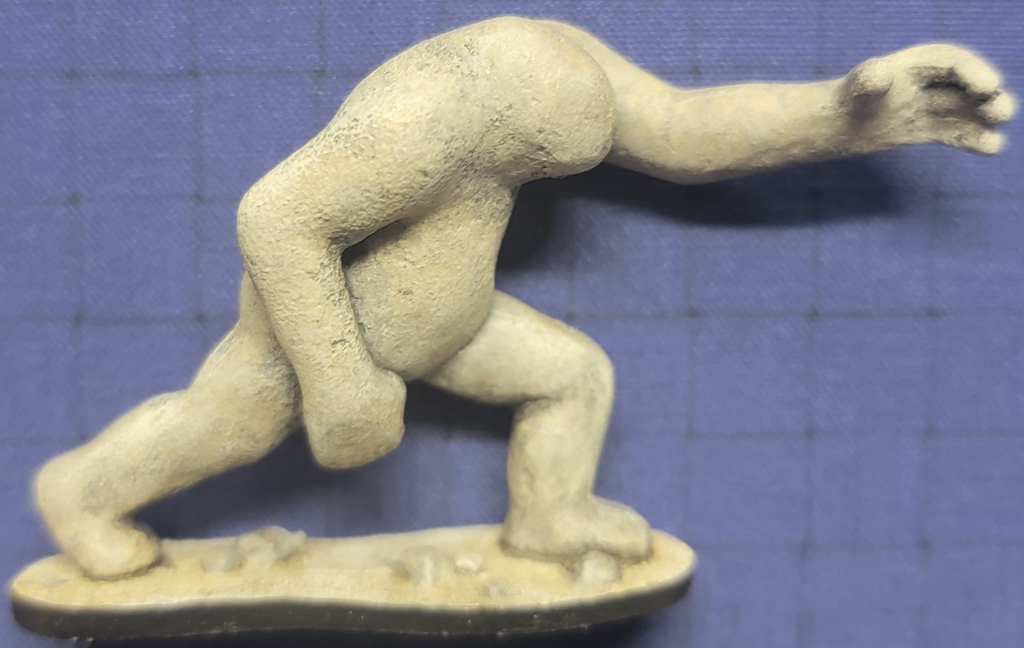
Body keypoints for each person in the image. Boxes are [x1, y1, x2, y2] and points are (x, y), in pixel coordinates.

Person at [35, 17, 1015, 579]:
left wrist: (847, 115)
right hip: (320, 337)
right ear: (488, 126)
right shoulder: (419, 118)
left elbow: (683, 131)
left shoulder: (556, 59)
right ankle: (79, 494)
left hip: (451, 321)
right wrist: (338, 382)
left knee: (571, 376)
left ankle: (549, 515)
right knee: (228, 424)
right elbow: (277, 218)